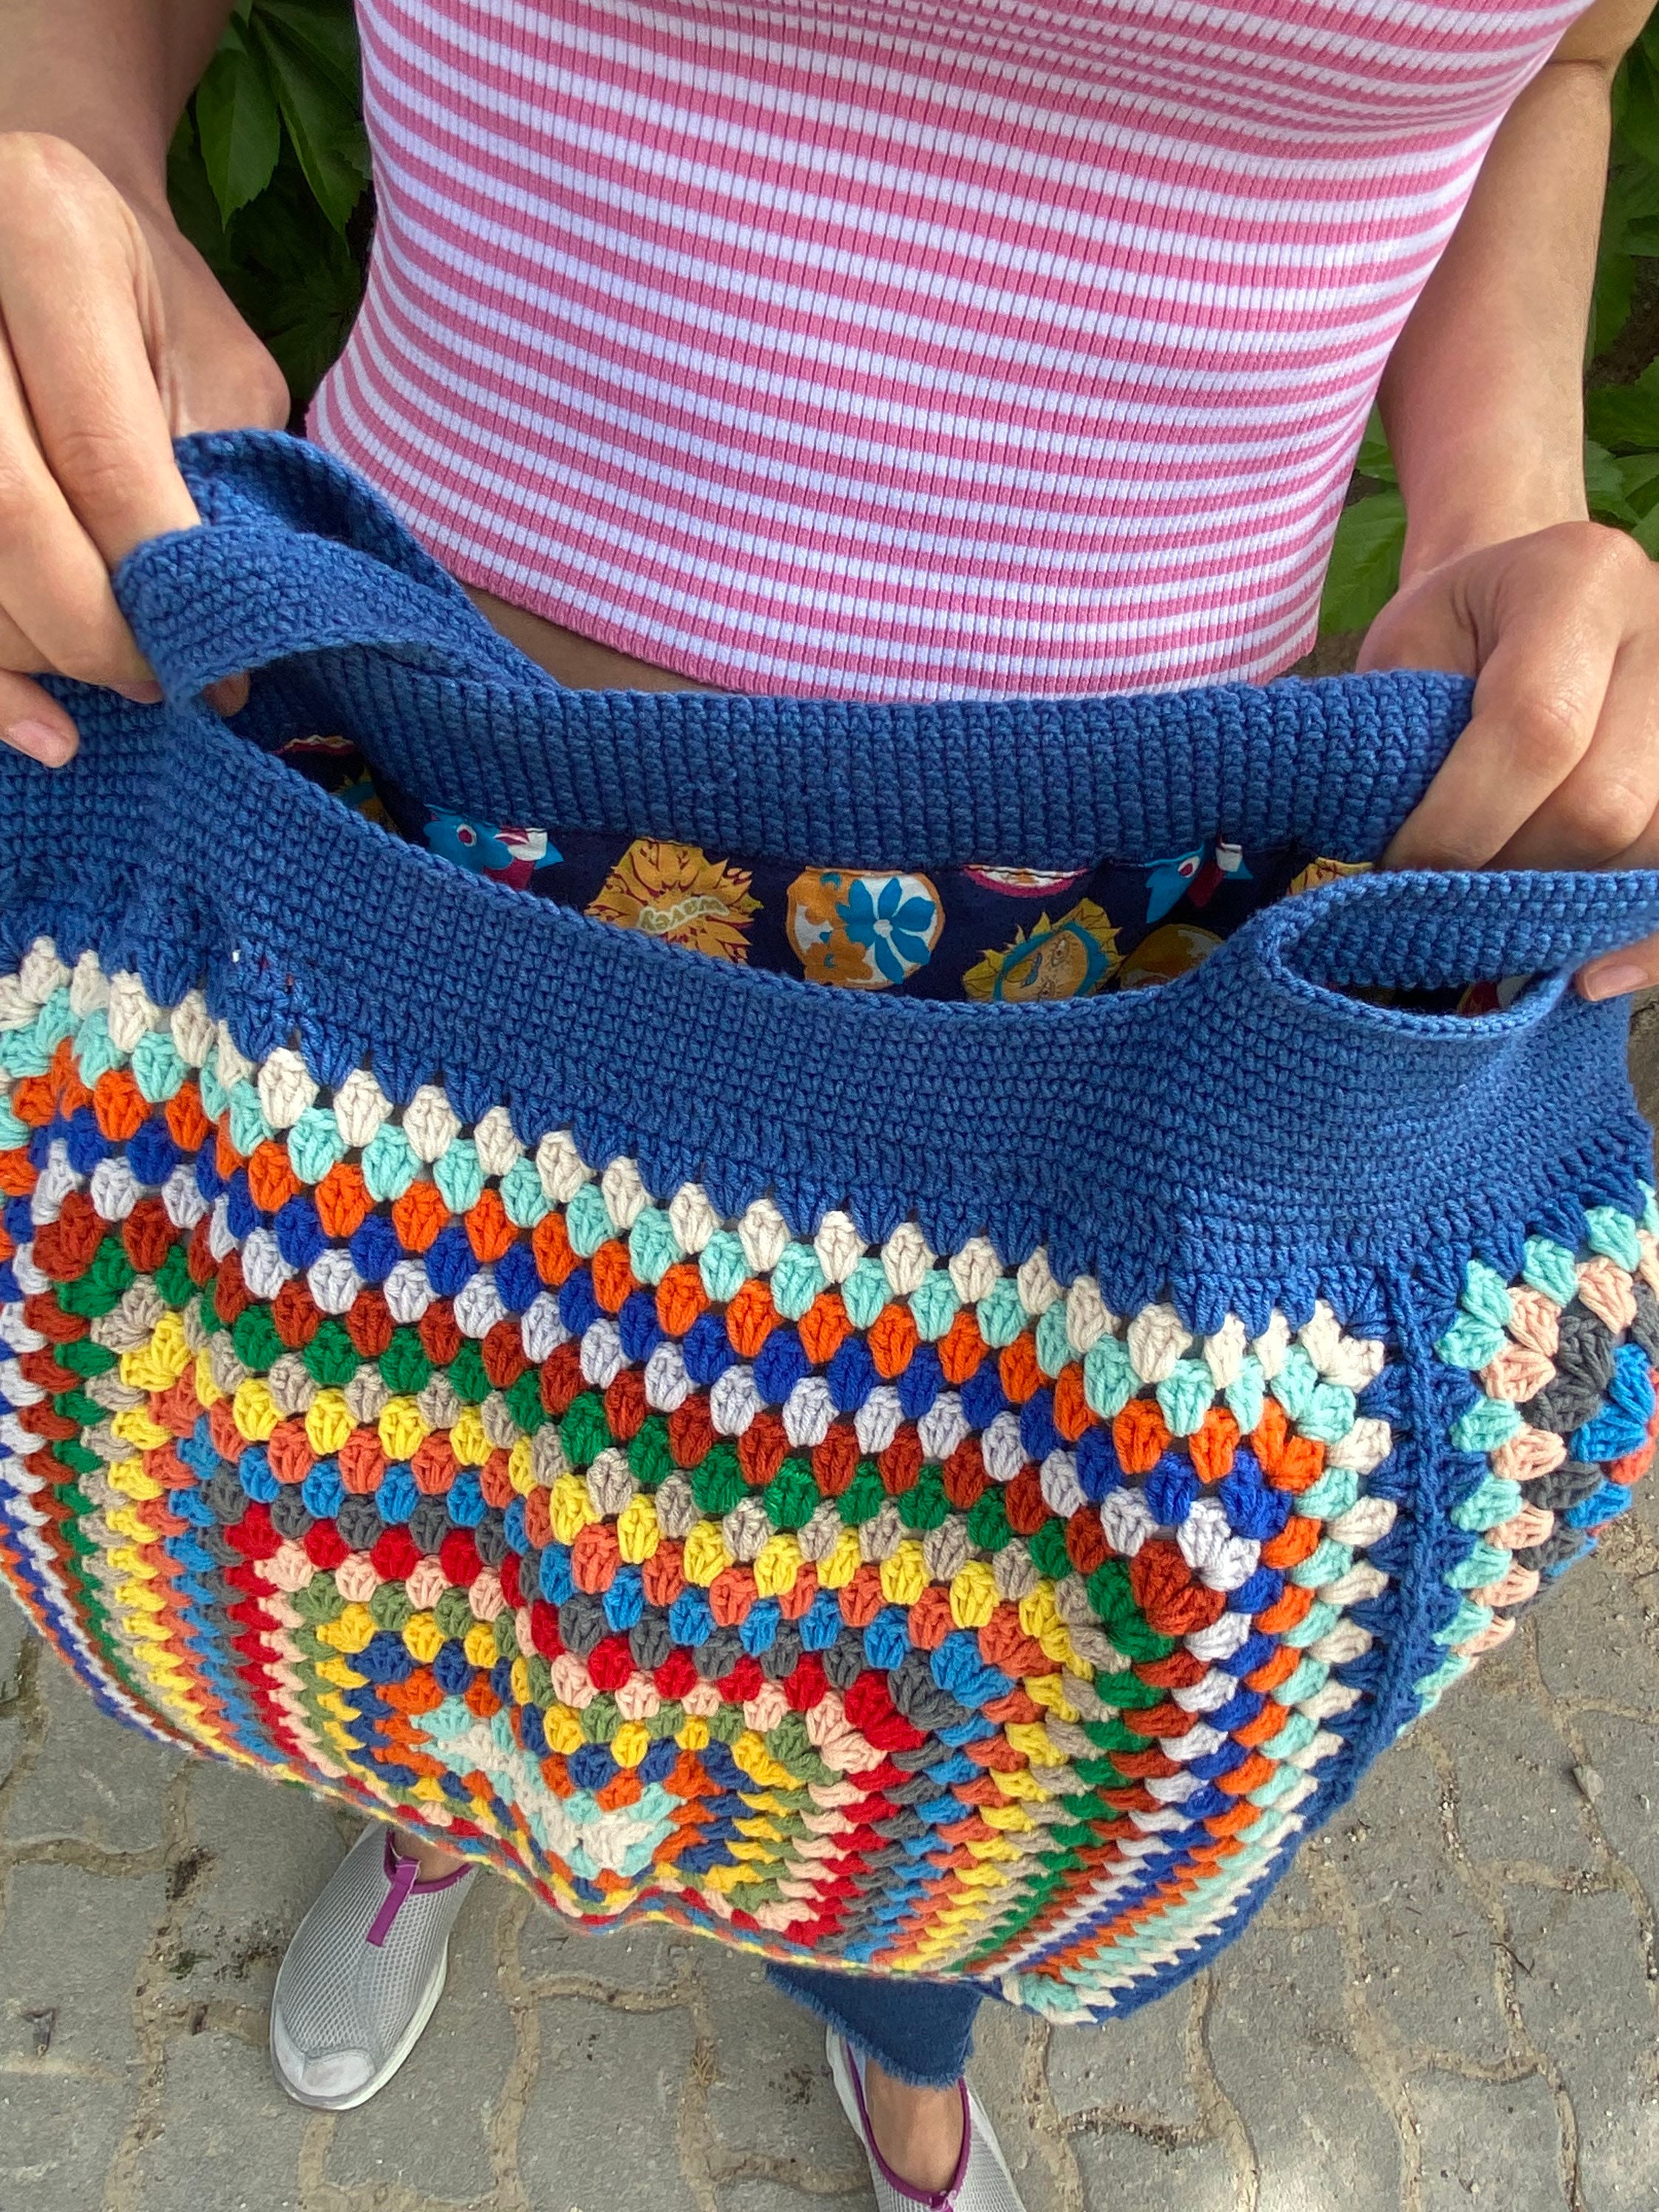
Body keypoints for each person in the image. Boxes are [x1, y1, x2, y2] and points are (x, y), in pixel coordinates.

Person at [1, 0, 1658, 2201]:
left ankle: (903, 2025)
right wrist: (60, 146)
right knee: (411, 1521)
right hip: (383, 797)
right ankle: (441, 1803)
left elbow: (1555, 66)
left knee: (956, 1725)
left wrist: (1506, 514)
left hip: (1115, 973)